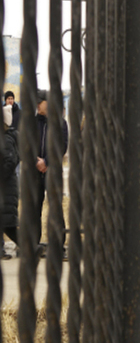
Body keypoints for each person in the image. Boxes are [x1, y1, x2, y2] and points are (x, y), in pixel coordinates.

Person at [35, 90, 69, 250]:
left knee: (55, 208)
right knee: (34, 208)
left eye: (39, 101)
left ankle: (58, 245)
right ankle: (34, 245)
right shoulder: (32, 122)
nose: (37, 104)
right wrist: (36, 161)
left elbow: (61, 146)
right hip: (34, 172)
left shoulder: (60, 123)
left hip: (53, 172)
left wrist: (47, 162)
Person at [2, 105, 19, 259]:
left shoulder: (6, 139)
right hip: (5, 187)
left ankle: (31, 248)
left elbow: (10, 162)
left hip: (6, 187)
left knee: (9, 225)